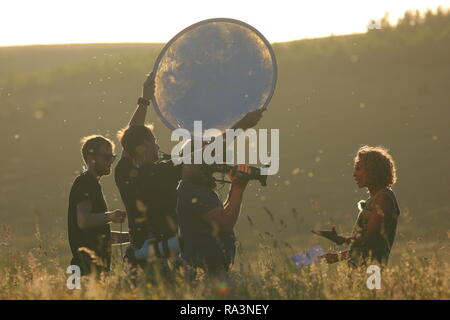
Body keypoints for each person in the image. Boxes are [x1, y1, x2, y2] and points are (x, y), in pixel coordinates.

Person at [115, 73, 264, 275]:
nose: (158, 146)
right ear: (143, 147)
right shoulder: (160, 171)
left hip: (138, 255)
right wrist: (240, 127)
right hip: (159, 261)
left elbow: (132, 135)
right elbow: (202, 155)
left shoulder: (124, 170)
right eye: (154, 141)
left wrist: (145, 100)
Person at [313, 145, 400, 268]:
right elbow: (365, 246)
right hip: (362, 269)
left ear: (373, 171)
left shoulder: (383, 198)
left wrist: (342, 240)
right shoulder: (376, 199)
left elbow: (370, 241)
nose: (354, 174)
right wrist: (336, 255)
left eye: (359, 169)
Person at [176, 163, 252, 278]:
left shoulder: (193, 188)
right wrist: (238, 188)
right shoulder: (193, 189)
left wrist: (234, 187)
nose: (213, 168)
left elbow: (221, 213)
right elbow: (224, 222)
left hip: (204, 269)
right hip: (203, 272)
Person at [68, 135, 128, 275]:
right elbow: (84, 221)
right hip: (85, 270)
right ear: (91, 159)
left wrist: (132, 237)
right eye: (106, 158)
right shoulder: (85, 183)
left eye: (112, 158)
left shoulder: (92, 184)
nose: (110, 162)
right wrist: (111, 216)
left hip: (90, 270)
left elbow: (102, 235)